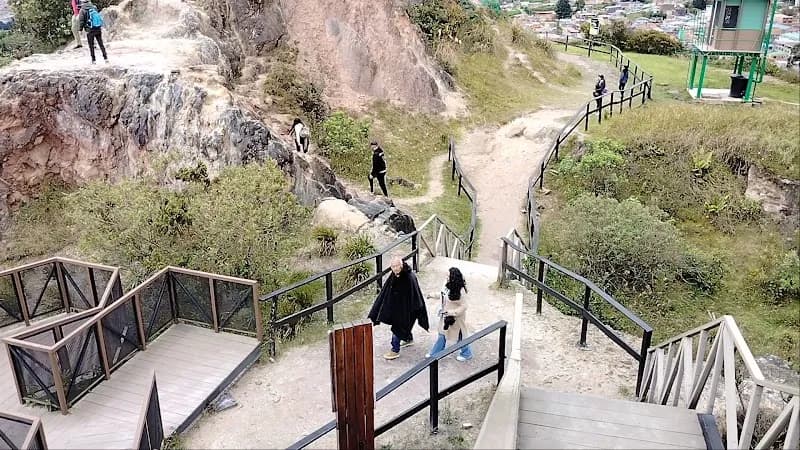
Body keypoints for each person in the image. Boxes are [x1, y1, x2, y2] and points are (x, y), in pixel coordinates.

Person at [368, 256, 429, 360]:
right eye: (393, 266)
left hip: (408, 309)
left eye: (397, 266)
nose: (395, 268)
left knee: (398, 328)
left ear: (401, 265)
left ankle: (395, 350)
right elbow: (386, 291)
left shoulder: (408, 277)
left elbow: (412, 296)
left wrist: (404, 311)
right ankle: (408, 339)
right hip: (398, 308)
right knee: (403, 326)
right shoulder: (395, 275)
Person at [426, 267, 473, 362]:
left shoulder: (461, 291)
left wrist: (452, 312)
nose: (446, 277)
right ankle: (435, 353)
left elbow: (464, 306)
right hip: (446, 316)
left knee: (459, 336)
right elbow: (442, 294)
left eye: (448, 275)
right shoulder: (447, 285)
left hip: (456, 319)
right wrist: (432, 295)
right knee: (443, 334)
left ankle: (466, 353)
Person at [79, 0, 107, 64]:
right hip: (97, 28)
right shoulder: (94, 7)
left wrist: (80, 29)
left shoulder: (82, 10)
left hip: (90, 30)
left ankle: (93, 60)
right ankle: (106, 58)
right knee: (101, 44)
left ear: (82, 3)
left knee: (91, 45)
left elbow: (81, 21)